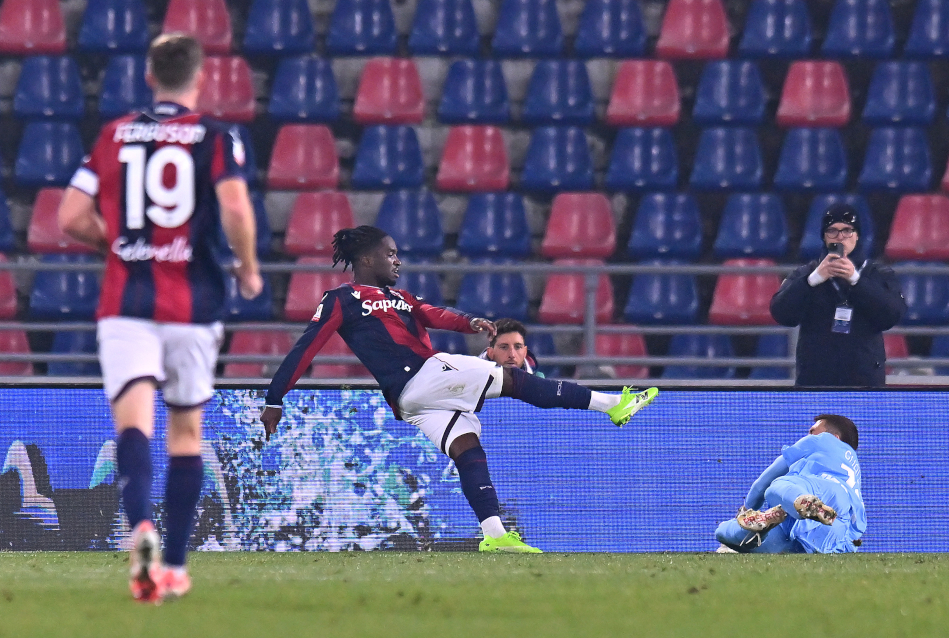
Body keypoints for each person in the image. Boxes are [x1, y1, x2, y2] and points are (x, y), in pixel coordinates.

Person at [260, 226, 658, 552]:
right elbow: (305, 347)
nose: (397, 260)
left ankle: (495, 535)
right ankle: (612, 405)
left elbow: (434, 314)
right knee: (514, 378)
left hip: (415, 399)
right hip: (422, 376)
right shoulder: (342, 299)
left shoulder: (400, 297)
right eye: (390, 253)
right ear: (366, 259)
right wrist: (275, 398)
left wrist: (469, 321)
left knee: (468, 450)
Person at [57, 34, 262, 603]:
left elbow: (70, 216)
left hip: (127, 304)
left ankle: (140, 527)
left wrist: (121, 247)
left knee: (132, 427)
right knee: (186, 435)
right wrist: (247, 268)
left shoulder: (115, 134)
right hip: (193, 304)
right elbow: (236, 207)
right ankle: (174, 565)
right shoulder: (216, 136)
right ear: (200, 80)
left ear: (150, 75)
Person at [769, 203, 905, 386]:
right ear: (824, 237)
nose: (840, 237)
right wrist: (813, 280)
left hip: (864, 383)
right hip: (815, 383)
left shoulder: (878, 273)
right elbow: (782, 313)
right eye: (832, 231)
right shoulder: (806, 273)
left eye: (847, 230)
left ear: (857, 236)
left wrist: (856, 280)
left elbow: (891, 315)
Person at [714, 415, 865, 554]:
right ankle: (756, 528)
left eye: (812, 431)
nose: (808, 435)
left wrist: (746, 509)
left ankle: (802, 503)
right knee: (746, 543)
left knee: (777, 486)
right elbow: (852, 539)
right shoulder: (854, 473)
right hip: (835, 527)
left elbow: (762, 483)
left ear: (834, 437)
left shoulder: (822, 440)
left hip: (820, 492)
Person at [477, 318, 543, 376]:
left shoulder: (538, 383)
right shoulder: (469, 381)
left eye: (518, 347)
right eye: (504, 347)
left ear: (525, 352)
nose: (512, 355)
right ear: (490, 353)